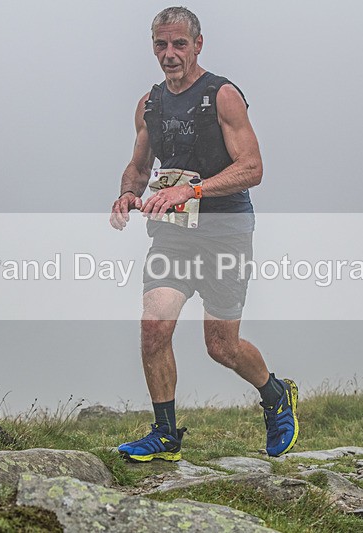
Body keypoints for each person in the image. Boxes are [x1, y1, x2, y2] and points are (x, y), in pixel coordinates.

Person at [109, 6, 298, 461]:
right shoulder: (150, 103)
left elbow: (252, 169)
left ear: (198, 44)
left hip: (224, 232)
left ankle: (275, 394)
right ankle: (166, 436)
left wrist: (190, 190)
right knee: (153, 329)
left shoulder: (222, 95)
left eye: (179, 44)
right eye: (161, 45)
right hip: (172, 235)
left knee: (221, 346)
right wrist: (126, 195)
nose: (169, 54)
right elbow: (138, 165)